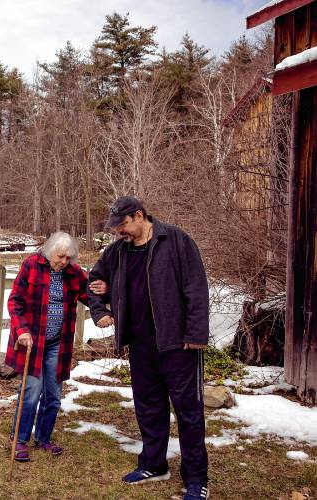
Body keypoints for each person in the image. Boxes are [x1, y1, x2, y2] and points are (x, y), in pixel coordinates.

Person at [87, 196, 210, 500]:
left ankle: (196, 479)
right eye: (116, 229)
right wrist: (101, 311)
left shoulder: (176, 241)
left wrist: (195, 334)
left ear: (139, 215)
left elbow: (196, 288)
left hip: (178, 344)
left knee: (189, 413)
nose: (120, 232)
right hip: (140, 345)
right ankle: (154, 465)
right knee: (149, 408)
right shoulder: (117, 251)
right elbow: (95, 280)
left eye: (123, 226)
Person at [5, 231, 89, 462]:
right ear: (50, 251)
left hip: (57, 344)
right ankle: (18, 439)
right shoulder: (31, 265)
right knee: (31, 393)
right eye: (60, 257)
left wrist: (105, 295)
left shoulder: (72, 272)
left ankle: (43, 438)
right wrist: (21, 330)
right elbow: (15, 301)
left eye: (68, 258)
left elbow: (89, 294)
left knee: (53, 395)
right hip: (32, 341)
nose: (64, 262)